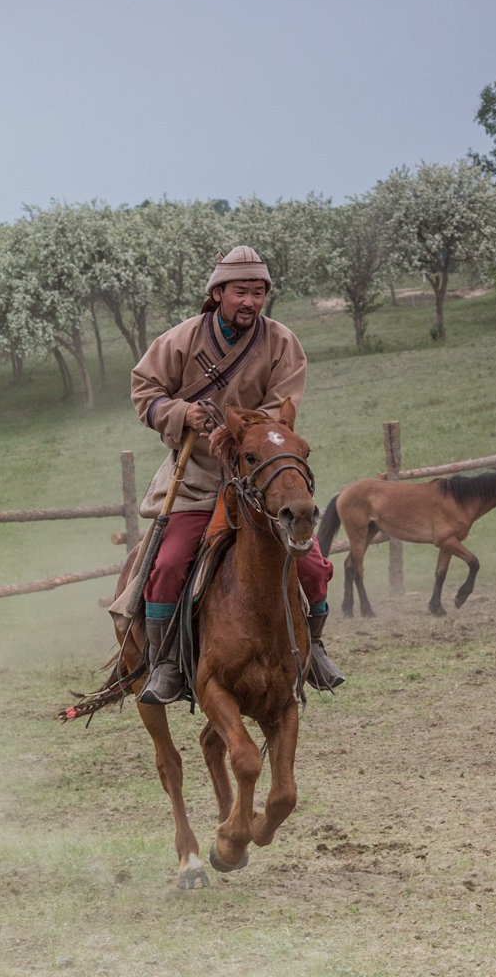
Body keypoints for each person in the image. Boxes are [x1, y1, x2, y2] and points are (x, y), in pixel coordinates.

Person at [128, 245, 344, 705]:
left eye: (258, 292)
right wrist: (183, 412)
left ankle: (316, 647)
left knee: (310, 563)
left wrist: (235, 428)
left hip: (261, 479)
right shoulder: (181, 339)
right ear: (218, 292)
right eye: (241, 291)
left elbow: (281, 412)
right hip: (197, 478)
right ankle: (165, 664)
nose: (250, 301)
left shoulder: (282, 342)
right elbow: (145, 390)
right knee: (167, 565)